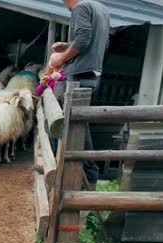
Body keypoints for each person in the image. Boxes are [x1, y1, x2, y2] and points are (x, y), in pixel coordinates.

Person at [49, 0, 110, 185]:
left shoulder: (80, 7)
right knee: (77, 123)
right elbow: (102, 42)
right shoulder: (101, 8)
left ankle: (61, 171)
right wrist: (67, 46)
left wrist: (61, 58)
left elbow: (83, 39)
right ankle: (87, 176)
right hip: (91, 72)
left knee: (61, 122)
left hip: (78, 75)